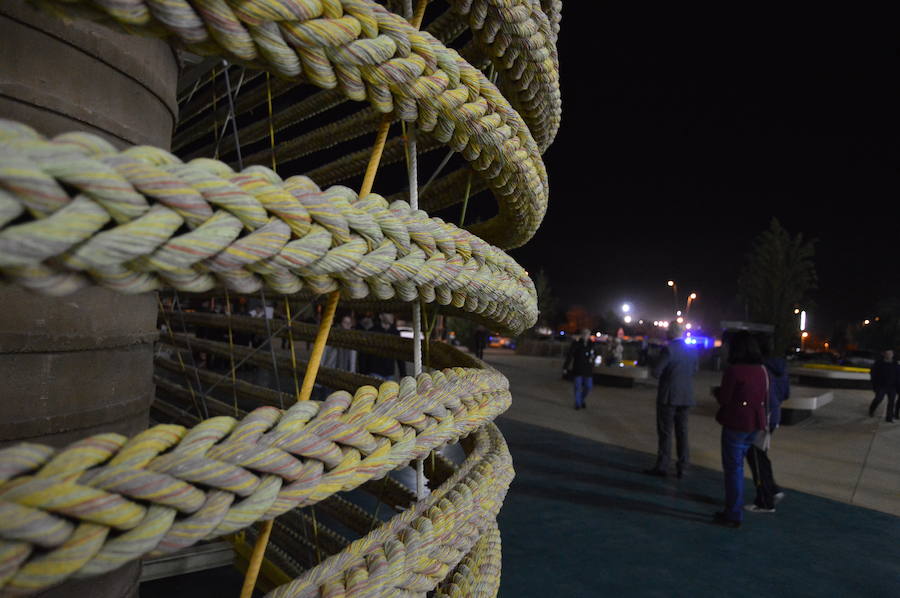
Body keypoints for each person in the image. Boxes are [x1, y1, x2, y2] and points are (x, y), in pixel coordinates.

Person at [712, 331, 769, 528]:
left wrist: (717, 393)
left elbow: (725, 399)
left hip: (736, 423)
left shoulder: (734, 370)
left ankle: (733, 513)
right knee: (739, 467)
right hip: (755, 423)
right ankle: (733, 508)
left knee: (733, 469)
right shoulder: (761, 370)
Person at [645, 322, 697, 478]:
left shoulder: (668, 349)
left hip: (668, 397)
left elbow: (656, 372)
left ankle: (662, 465)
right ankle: (683, 465)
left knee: (665, 432)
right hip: (686, 396)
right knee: (682, 432)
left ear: (671, 333)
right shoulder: (692, 350)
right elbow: (694, 370)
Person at [745, 341, 789, 512]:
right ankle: (772, 490)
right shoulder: (781, 369)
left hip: (762, 418)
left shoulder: (761, 370)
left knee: (756, 458)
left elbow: (762, 397)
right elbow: (785, 394)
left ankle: (765, 501)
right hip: (773, 417)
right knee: (761, 456)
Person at [358, 313, 407, 381]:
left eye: (392, 314)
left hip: (390, 374)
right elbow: (364, 354)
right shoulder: (373, 331)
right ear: (381, 316)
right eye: (388, 313)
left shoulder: (395, 333)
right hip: (374, 373)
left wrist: (403, 374)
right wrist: (363, 373)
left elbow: (399, 354)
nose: (392, 316)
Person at [563, 328, 597, 410]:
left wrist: (594, 361)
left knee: (588, 386)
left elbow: (595, 355)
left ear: (589, 335)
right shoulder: (576, 344)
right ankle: (577, 403)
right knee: (577, 387)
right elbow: (570, 356)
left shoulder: (592, 344)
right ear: (582, 334)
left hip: (588, 370)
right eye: (584, 333)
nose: (585, 335)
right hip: (578, 368)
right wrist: (565, 367)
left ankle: (581, 400)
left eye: (587, 334)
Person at [868, 349, 897, 422]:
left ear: (893, 355)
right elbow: (873, 373)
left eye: (890, 354)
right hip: (881, 386)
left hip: (892, 386)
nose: (889, 355)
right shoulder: (879, 363)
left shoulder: (895, 364)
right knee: (878, 399)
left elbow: (898, 375)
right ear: (884, 354)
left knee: (891, 402)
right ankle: (871, 410)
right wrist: (875, 384)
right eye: (887, 353)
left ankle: (889, 418)